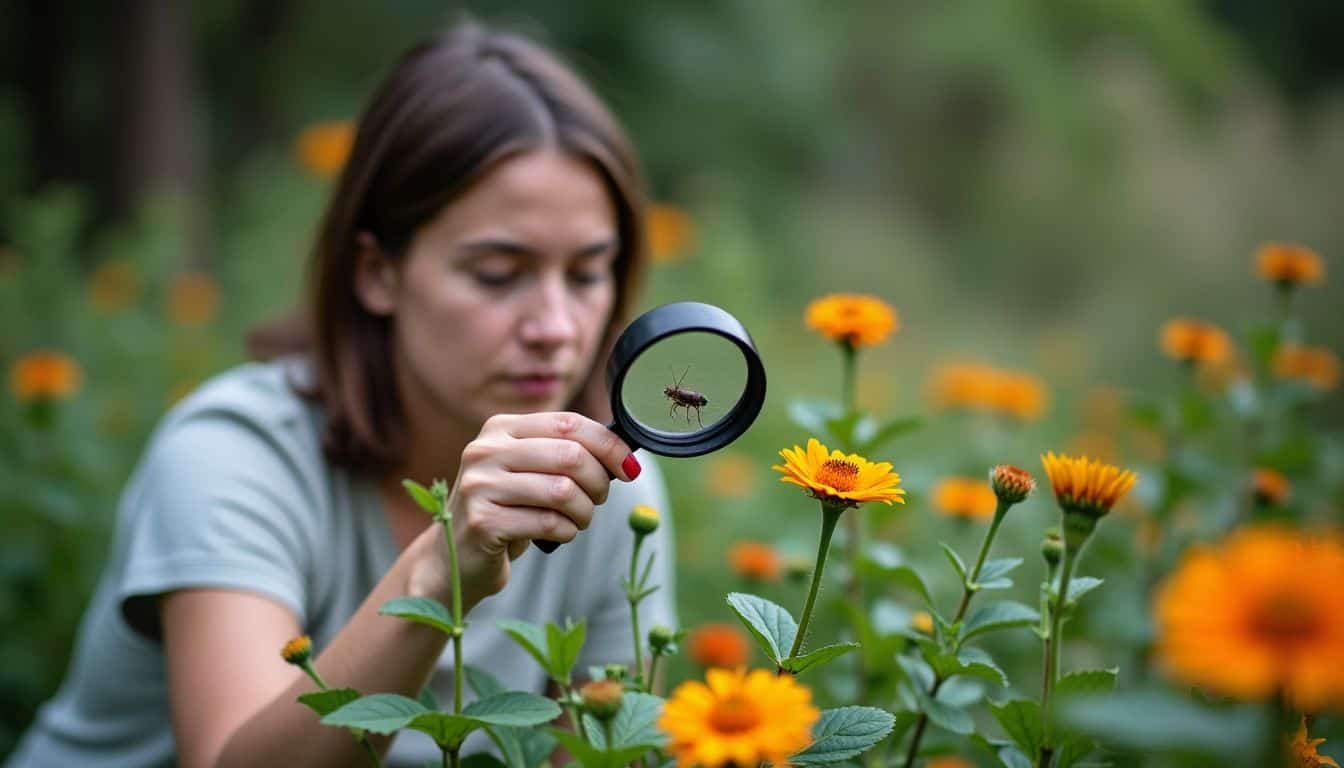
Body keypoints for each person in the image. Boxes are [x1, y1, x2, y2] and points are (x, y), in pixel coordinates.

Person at [7, 20, 676, 768]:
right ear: (376, 273)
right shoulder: (232, 454)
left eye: (587, 274)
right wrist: (439, 571)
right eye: (497, 273)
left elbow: (596, 753)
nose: (556, 327)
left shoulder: (610, 487)